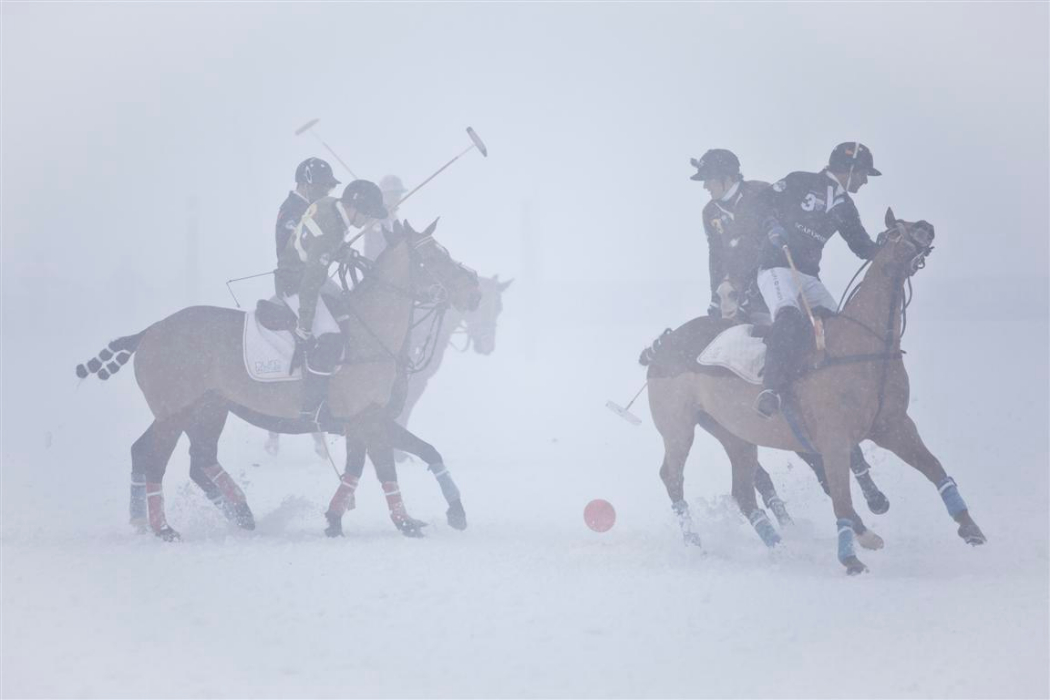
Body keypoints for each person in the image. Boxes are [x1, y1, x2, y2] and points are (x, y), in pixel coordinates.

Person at [753, 142, 882, 418]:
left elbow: (862, 246)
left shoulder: (846, 206)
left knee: (840, 326)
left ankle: (823, 384)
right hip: (777, 266)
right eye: (864, 174)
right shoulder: (800, 180)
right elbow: (762, 202)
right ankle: (772, 390)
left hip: (809, 275)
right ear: (850, 169)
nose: (865, 181)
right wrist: (771, 225)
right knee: (787, 314)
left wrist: (890, 248)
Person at [275, 179, 389, 425]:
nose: (368, 220)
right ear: (355, 207)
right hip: (295, 283)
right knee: (330, 339)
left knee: (348, 312)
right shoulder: (332, 231)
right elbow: (310, 283)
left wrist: (342, 251)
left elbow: (315, 241)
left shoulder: (328, 203)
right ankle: (312, 409)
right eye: (368, 214)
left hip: (301, 271)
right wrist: (305, 326)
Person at [265, 158, 341, 455]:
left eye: (328, 188)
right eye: (321, 187)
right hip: (297, 281)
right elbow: (297, 247)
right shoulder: (292, 210)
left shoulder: (313, 207)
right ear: (305, 184)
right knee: (322, 335)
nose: (325, 193)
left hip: (315, 277)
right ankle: (312, 401)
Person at [690, 149, 770, 323]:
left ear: (727, 177)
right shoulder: (709, 212)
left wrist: (754, 287)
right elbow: (716, 255)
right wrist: (715, 294)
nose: (705, 186)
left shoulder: (761, 192)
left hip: (770, 282)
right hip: (735, 291)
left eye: (709, 179)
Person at [362, 174, 407, 261]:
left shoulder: (392, 216)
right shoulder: (376, 216)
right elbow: (377, 246)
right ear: (384, 195)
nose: (398, 197)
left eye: (399, 194)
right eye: (394, 194)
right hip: (379, 265)